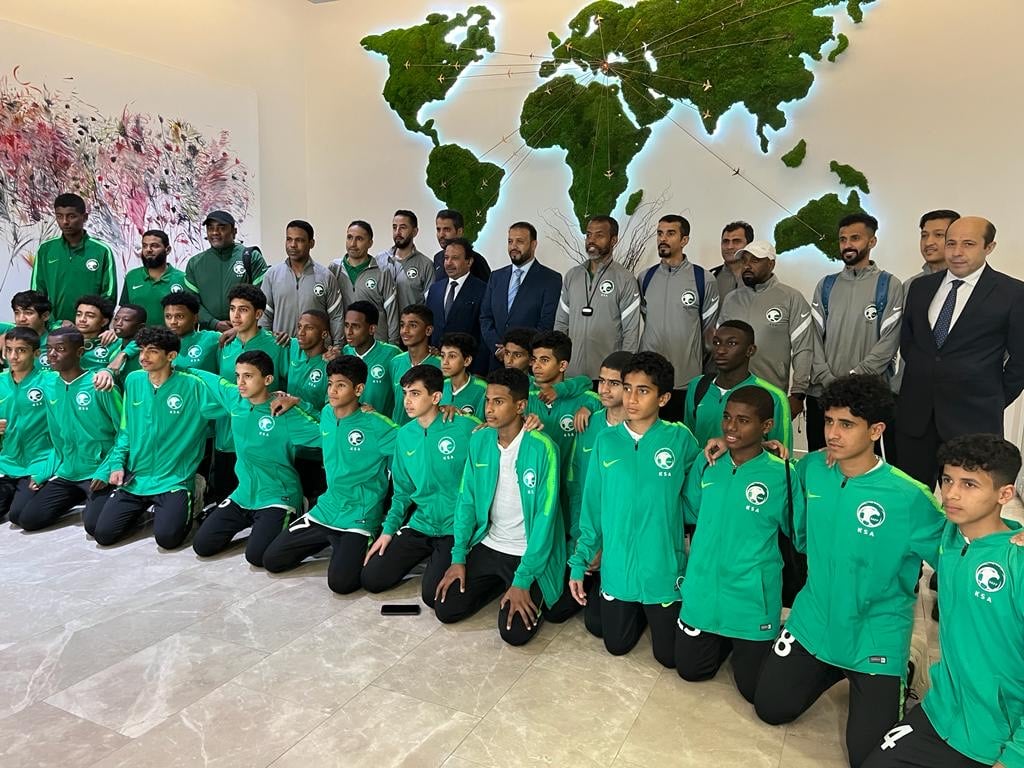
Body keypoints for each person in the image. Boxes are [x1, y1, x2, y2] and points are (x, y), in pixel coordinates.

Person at [754, 375, 945, 768]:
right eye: (828, 422)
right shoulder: (813, 468)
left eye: (846, 424)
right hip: (814, 620)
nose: (832, 434)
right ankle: (828, 667)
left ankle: (903, 664)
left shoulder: (909, 496)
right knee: (770, 707)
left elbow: (954, 554)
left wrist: (1007, 538)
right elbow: (777, 478)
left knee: (864, 756)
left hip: (873, 633)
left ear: (876, 430)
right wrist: (750, 448)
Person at [862, 434, 1024, 768]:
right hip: (943, 710)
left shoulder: (1017, 562)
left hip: (999, 734)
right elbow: (894, 496)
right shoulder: (948, 535)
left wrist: (1016, 755)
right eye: (948, 480)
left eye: (969, 484)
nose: (951, 494)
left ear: (1005, 494)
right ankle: (915, 663)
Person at [568, 352, 700, 667]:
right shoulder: (606, 440)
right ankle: (633, 608)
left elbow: (703, 483)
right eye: (627, 388)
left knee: (669, 657)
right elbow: (592, 506)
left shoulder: (679, 438)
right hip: (618, 567)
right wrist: (579, 561)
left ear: (663, 398)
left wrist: (742, 448)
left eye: (643, 391)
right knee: (615, 645)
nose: (631, 398)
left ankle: (651, 608)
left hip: (663, 567)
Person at [675, 386, 802, 702]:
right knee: (691, 671)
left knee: (752, 690)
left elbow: (798, 531)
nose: (731, 427)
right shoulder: (708, 462)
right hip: (703, 591)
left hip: (751, 598)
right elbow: (690, 509)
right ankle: (719, 637)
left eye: (743, 421)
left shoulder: (781, 473)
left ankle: (744, 639)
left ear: (766, 426)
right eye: (727, 417)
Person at [434, 367, 566, 646]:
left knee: (514, 633)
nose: (489, 409)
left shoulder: (543, 447)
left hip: (527, 552)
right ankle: (497, 582)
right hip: (490, 543)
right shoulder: (480, 439)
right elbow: (466, 501)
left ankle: (515, 583)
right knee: (445, 607)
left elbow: (546, 519)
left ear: (520, 406)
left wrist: (523, 579)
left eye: (499, 401)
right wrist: (458, 557)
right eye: (487, 401)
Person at [895, 216, 1024, 489]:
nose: (956, 252)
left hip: (974, 418)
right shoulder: (921, 288)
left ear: (989, 247)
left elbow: (1020, 359)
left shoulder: (1012, 293)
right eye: (951, 243)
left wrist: (994, 397)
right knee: (910, 498)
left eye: (968, 244)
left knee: (967, 500)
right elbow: (909, 344)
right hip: (916, 416)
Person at [262, 355, 398, 594]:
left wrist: (445, 416)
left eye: (341, 385)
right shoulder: (327, 413)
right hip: (326, 509)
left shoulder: (375, 424)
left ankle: (354, 542)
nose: (332, 391)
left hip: (359, 515)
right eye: (330, 384)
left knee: (341, 584)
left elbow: (414, 440)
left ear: (358, 389)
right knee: (272, 560)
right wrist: (296, 401)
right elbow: (315, 418)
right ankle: (332, 541)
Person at [90, 327, 222, 549]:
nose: (143, 357)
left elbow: (233, 399)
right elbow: (126, 430)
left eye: (152, 351)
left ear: (171, 356)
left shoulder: (192, 385)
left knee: (168, 539)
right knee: (102, 534)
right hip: (137, 478)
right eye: (142, 350)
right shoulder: (134, 380)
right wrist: (117, 464)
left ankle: (195, 488)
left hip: (174, 478)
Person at [191, 350, 322, 566]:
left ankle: (298, 506)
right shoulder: (235, 399)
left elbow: (328, 432)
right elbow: (210, 379)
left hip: (277, 495)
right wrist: (175, 366)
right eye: (238, 375)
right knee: (202, 545)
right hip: (243, 494)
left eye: (248, 376)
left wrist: (299, 402)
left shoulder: (285, 413)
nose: (240, 383)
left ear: (268, 379)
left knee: (256, 556)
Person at [361, 365, 479, 602]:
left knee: (433, 596)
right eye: (405, 393)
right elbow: (402, 492)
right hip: (421, 523)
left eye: (415, 393)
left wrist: (530, 421)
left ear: (436, 397)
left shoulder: (465, 427)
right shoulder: (405, 435)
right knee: (371, 578)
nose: (407, 401)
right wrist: (388, 531)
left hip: (455, 527)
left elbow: (501, 432)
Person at [807, 213, 904, 452]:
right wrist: (827, 379)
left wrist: (853, 380)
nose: (847, 245)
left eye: (855, 238)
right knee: (821, 462)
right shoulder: (826, 284)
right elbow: (813, 338)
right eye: (843, 239)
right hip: (823, 393)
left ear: (872, 241)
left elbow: (889, 343)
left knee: (867, 464)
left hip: (868, 396)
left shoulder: (889, 285)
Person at [15, 328, 121, 533]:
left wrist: (106, 469)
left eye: (61, 349)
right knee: (28, 520)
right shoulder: (50, 386)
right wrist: (43, 473)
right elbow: (57, 438)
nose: (52, 354)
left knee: (94, 526)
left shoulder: (100, 386)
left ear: (79, 352)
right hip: (69, 472)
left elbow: (125, 433)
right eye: (49, 349)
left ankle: (109, 493)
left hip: (98, 470)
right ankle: (80, 496)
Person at [558, 350, 634, 627]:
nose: (604, 389)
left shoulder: (638, 431)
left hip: (620, 543)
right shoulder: (588, 424)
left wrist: (604, 546)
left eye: (614, 383)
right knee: (556, 611)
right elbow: (577, 487)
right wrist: (583, 541)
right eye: (601, 381)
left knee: (599, 626)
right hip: (587, 536)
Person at [209, 285, 289, 503]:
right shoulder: (224, 344)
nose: (235, 315)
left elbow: (288, 387)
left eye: (243, 309)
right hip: (228, 434)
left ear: (258, 314)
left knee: (262, 497)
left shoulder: (278, 345)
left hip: (264, 434)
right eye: (232, 309)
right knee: (225, 495)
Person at [718, 239, 813, 420]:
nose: (747, 265)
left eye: (755, 260)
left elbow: (804, 348)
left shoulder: (791, 298)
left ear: (771, 264)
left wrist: (798, 394)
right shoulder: (732, 299)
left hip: (771, 393)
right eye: (744, 260)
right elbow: (720, 345)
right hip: (731, 393)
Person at [639, 214, 719, 422]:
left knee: (682, 436)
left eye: (670, 233)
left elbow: (709, 333)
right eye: (659, 233)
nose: (663, 239)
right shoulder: (645, 277)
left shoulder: (703, 279)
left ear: (684, 240)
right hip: (649, 380)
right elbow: (647, 318)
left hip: (685, 381)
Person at [554, 216, 641, 380]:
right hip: (571, 374)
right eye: (589, 235)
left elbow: (631, 332)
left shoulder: (625, 279)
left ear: (613, 240)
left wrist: (623, 371)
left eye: (599, 235)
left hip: (606, 376)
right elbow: (560, 324)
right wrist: (557, 364)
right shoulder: (572, 276)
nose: (591, 240)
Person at [683, 321, 791, 450]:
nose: (720, 350)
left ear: (750, 350)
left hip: (747, 464)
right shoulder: (697, 385)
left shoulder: (774, 397)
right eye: (716, 343)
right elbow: (688, 441)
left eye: (732, 343)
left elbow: (780, 453)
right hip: (701, 463)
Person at [525, 331, 601, 497]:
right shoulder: (526, 396)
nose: (536, 366)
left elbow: (599, 396)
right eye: (534, 360)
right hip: (535, 486)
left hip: (571, 489)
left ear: (562, 365)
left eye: (544, 360)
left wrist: (588, 406)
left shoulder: (585, 399)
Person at [480, 222, 562, 370]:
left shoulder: (551, 279)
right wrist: (498, 348)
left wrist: (517, 351)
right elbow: (485, 317)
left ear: (533, 244)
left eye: (520, 241)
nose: (513, 246)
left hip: (528, 365)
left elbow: (546, 323)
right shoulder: (496, 277)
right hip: (496, 361)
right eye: (510, 241)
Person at [30, 193, 117, 323]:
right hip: (54, 327)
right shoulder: (46, 249)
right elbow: (37, 293)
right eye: (60, 216)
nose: (65, 222)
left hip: (90, 328)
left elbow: (109, 295)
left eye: (71, 216)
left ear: (85, 217)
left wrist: (89, 322)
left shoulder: (102, 250)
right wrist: (53, 324)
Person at [259, 220, 349, 345]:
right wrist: (266, 342)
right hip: (281, 348)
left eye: (299, 240)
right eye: (289, 239)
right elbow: (264, 315)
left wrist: (337, 347)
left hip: (316, 350)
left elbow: (336, 317)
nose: (293, 245)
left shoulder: (326, 276)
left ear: (311, 243)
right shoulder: (272, 275)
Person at [184, 210, 268, 331]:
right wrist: (214, 323)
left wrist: (238, 325)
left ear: (234, 231)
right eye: (210, 228)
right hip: (208, 334)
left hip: (244, 333)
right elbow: (192, 302)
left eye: (221, 228)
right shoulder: (195, 263)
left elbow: (261, 297)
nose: (215, 232)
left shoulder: (252, 257)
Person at [0, 328, 51, 524]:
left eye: (21, 350)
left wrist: (105, 372)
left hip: (38, 462)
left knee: (19, 516)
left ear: (36, 353)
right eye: (9, 350)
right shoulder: (1, 381)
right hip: (6, 463)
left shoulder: (49, 381)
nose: (13, 356)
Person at [424, 237, 487, 371]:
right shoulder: (435, 289)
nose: (448, 263)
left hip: (467, 367)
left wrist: (479, 370)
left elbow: (483, 334)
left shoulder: (483, 290)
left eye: (455, 258)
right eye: (446, 258)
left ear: (469, 261)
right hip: (435, 365)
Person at [331, 220, 398, 344]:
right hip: (346, 344)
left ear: (370, 243)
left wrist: (394, 345)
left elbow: (392, 312)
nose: (353, 244)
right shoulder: (334, 269)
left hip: (376, 344)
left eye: (359, 239)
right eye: (349, 237)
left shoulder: (382, 271)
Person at [376, 210, 435, 343]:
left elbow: (429, 306)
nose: (397, 232)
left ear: (415, 232)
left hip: (410, 337)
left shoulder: (425, 264)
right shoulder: (379, 260)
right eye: (394, 227)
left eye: (403, 227)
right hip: (382, 336)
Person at [341, 301, 401, 416]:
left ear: (372, 329)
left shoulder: (392, 354)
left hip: (381, 424)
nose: (349, 332)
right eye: (346, 325)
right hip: (351, 422)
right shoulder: (345, 352)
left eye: (356, 326)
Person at [119, 229, 188, 326]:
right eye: (144, 246)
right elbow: (124, 311)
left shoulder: (183, 279)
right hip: (137, 336)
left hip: (170, 335)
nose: (148, 250)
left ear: (167, 250)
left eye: (154, 246)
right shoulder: (132, 276)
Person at [388, 304, 441, 426]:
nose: (405, 331)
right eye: (402, 325)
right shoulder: (395, 362)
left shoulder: (441, 365)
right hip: (399, 432)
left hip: (427, 432)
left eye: (413, 325)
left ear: (428, 330)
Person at [159, 292, 221, 372]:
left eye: (180, 316)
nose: (173, 322)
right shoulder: (159, 345)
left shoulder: (212, 338)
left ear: (195, 318)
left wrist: (234, 330)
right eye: (168, 316)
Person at [431, 209, 490, 281]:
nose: (441, 235)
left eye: (447, 230)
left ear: (459, 232)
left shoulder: (477, 260)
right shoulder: (437, 258)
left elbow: (488, 287)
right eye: (438, 230)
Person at [439, 332, 487, 417]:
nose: (445, 362)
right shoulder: (440, 386)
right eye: (442, 356)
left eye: (452, 356)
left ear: (467, 361)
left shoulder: (482, 389)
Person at [8, 291, 53, 370]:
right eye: (17, 313)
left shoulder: (55, 346)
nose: (21, 319)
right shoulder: (7, 344)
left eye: (28, 313)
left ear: (45, 316)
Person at [710, 221, 753, 302]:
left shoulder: (760, 277)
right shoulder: (710, 277)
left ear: (749, 245)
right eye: (725, 241)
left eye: (736, 241)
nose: (729, 247)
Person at [74, 295, 119, 370]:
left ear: (104, 322)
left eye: (90, 316)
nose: (82, 319)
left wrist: (117, 333)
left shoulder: (114, 342)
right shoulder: (65, 340)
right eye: (78, 315)